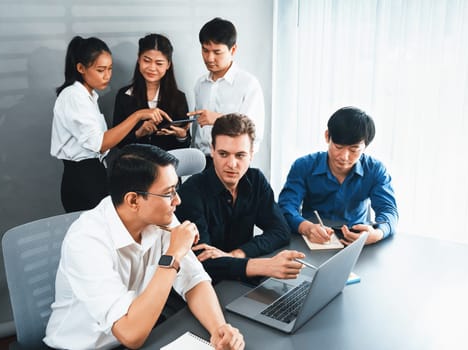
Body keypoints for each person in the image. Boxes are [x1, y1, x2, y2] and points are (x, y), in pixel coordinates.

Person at [43, 144, 244, 350]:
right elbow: (130, 335)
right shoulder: (86, 242)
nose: (178, 200)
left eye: (176, 189)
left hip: (142, 333)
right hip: (83, 346)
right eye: (169, 193)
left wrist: (219, 328)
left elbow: (194, 280)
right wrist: (173, 254)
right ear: (133, 200)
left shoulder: (159, 216)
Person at [176, 114, 304, 284]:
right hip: (207, 285)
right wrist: (263, 266)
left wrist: (236, 254)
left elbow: (281, 231)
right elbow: (203, 261)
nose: (232, 164)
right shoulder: (190, 193)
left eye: (240, 155)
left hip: (242, 279)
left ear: (251, 154)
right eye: (223, 154)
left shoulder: (256, 179)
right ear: (212, 150)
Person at [51, 36, 170, 213]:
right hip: (82, 178)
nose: (107, 75)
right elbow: (100, 143)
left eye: (110, 69)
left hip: (94, 173)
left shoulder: (89, 96)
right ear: (81, 68)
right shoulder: (73, 96)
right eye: (101, 70)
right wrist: (138, 116)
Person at [278, 106, 399, 246]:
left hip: (357, 241)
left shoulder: (375, 170)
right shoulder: (303, 166)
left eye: (354, 149)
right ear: (327, 136)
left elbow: (389, 210)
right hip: (312, 238)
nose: (344, 156)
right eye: (338, 147)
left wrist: (377, 234)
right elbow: (286, 207)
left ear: (365, 146)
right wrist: (305, 227)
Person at [188, 17, 265, 167]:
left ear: (233, 49)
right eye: (205, 50)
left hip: (231, 163)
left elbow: (253, 131)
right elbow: (198, 131)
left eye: (217, 52)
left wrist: (217, 118)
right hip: (201, 162)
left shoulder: (248, 84)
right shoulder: (200, 84)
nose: (210, 58)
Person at [113, 34, 192, 151]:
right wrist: (139, 133)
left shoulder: (178, 97)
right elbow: (118, 142)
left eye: (159, 63)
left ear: (168, 65)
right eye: (147, 61)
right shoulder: (124, 95)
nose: (152, 68)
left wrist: (182, 136)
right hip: (134, 165)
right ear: (139, 59)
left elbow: (185, 145)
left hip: (167, 165)